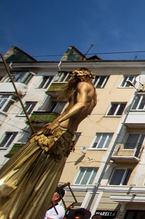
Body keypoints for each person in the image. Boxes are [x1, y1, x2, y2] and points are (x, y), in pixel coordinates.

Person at [0, 68, 97, 219]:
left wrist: (55, 122)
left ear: (79, 77)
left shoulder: (83, 85)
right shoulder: (95, 96)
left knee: (19, 168)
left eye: (72, 77)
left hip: (57, 133)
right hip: (67, 137)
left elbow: (80, 105)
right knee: (41, 177)